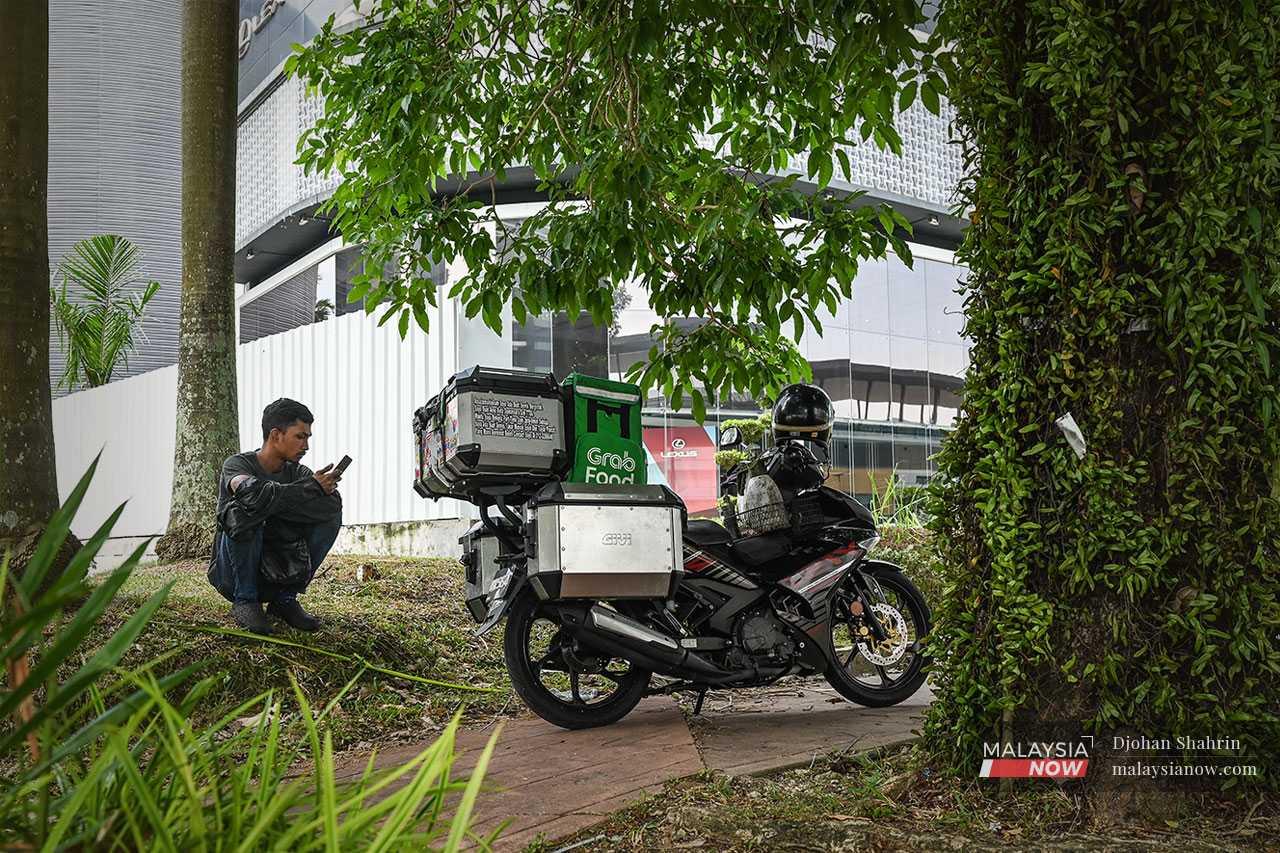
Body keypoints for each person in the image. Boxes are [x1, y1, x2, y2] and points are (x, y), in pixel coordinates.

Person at [207, 398, 343, 635]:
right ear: (276, 435)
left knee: (329, 516)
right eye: (300, 437)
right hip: (233, 575)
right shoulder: (237, 464)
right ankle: (245, 602)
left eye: (308, 438)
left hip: (280, 571)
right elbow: (251, 495)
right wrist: (307, 491)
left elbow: (330, 505)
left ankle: (284, 601)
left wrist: (283, 500)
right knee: (244, 511)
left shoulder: (299, 472)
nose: (306, 446)